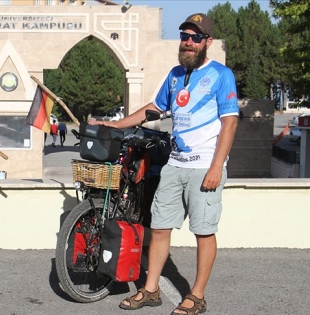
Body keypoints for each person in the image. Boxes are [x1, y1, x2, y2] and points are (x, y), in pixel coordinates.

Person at [89, 13, 238, 315]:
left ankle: (196, 296)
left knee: (203, 231)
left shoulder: (221, 75)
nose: (189, 42)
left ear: (207, 42)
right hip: (176, 164)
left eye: (196, 37)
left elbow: (230, 123)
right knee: (158, 227)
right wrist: (117, 125)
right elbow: (153, 109)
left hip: (204, 166)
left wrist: (215, 167)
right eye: (185, 35)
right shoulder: (174, 75)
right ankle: (151, 290)